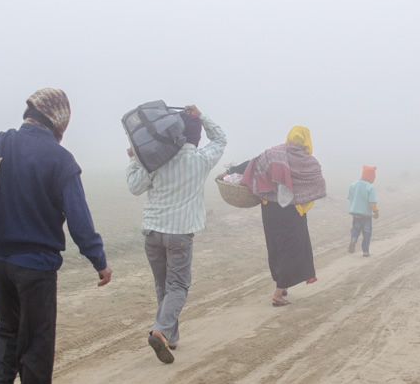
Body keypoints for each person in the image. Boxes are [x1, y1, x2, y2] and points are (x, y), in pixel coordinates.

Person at [0, 88, 112, 384]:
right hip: (35, 265)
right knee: (37, 341)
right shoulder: (60, 159)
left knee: (8, 328)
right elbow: (79, 217)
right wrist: (98, 260)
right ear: (58, 122)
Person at [126, 105, 226, 364]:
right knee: (178, 286)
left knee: (163, 286)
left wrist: (133, 161)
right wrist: (203, 115)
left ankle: (170, 336)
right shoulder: (201, 160)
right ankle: (160, 331)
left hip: (152, 230)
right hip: (180, 233)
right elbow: (221, 139)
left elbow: (135, 187)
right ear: (196, 138)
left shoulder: (157, 159)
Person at [241, 126, 326, 307]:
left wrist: (229, 172)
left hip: (270, 209)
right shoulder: (309, 162)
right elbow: (317, 180)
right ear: (306, 139)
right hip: (292, 211)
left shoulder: (273, 154)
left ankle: (283, 283)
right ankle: (278, 294)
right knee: (292, 248)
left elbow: (252, 163)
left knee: (276, 246)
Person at [347, 165, 379, 257]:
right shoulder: (370, 187)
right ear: (372, 176)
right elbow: (372, 202)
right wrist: (376, 211)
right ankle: (365, 251)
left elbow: (350, 197)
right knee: (367, 232)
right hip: (366, 215)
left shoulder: (353, 184)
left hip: (355, 213)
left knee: (355, 228)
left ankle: (353, 239)